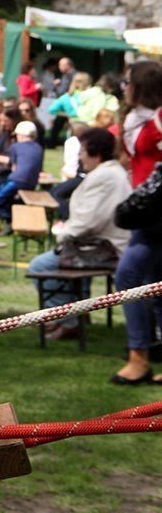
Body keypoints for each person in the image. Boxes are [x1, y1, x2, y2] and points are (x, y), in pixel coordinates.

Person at [28, 127, 129, 344]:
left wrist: (61, 234)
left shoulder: (104, 176)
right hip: (104, 244)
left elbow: (87, 222)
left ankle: (68, 322)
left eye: (82, 151)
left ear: (95, 152)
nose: (80, 157)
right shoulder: (112, 173)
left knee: (39, 265)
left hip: (105, 248)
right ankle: (73, 315)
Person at [113, 60, 162, 384]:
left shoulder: (159, 119)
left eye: (128, 81)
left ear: (142, 85)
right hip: (144, 214)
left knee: (128, 276)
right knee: (156, 286)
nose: (124, 87)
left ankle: (139, 356)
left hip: (158, 214)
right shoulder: (136, 119)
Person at [0, 120, 43, 232]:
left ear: (20, 135)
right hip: (32, 183)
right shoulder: (39, 148)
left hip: (17, 180)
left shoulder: (16, 146)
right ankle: (9, 221)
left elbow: (12, 165)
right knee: (7, 200)